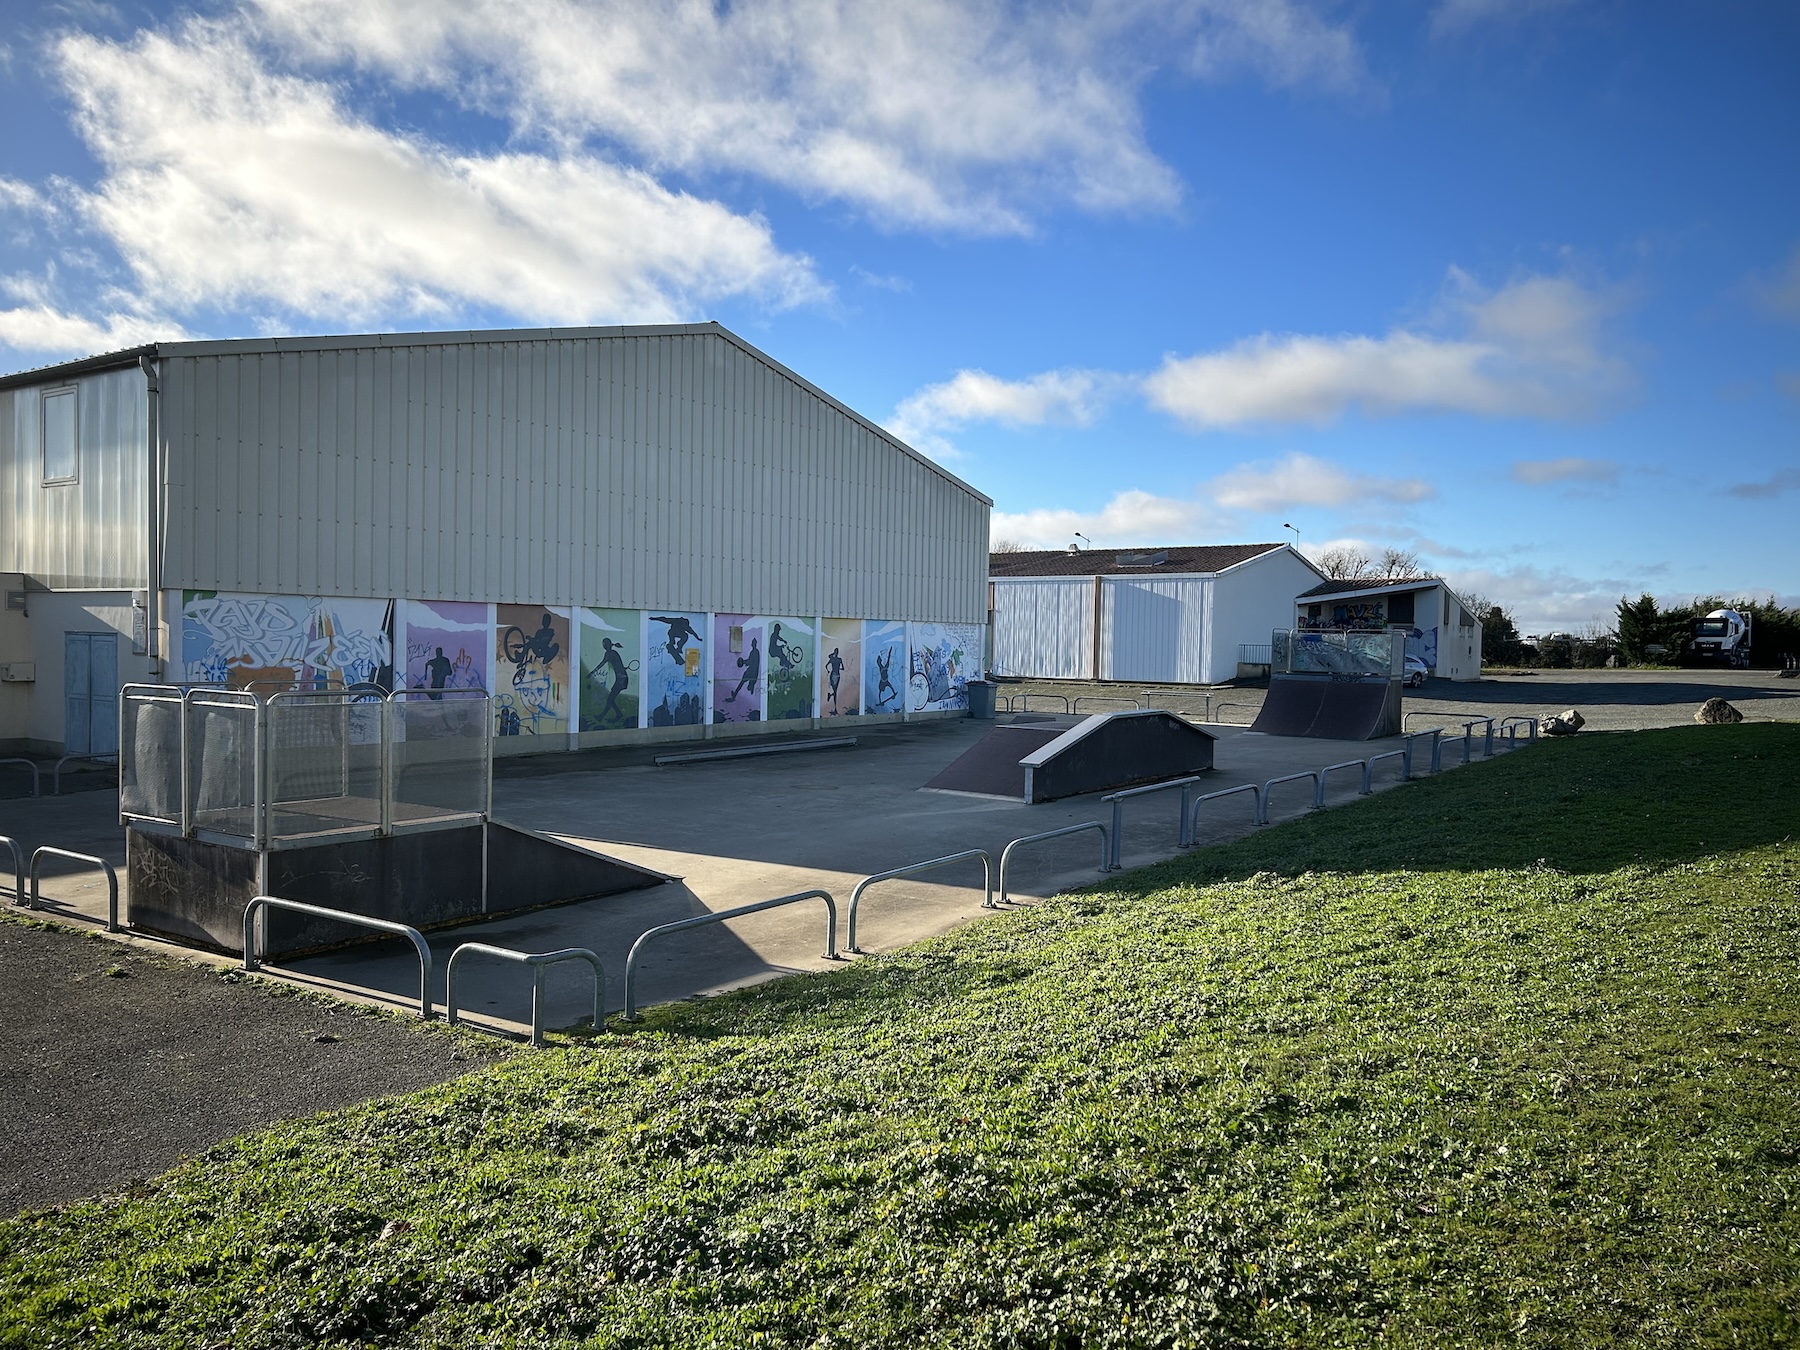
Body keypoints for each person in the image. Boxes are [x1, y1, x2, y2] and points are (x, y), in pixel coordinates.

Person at [594, 636, 629, 725]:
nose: (603, 645)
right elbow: (619, 665)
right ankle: (617, 714)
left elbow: (602, 663)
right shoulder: (614, 653)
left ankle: (602, 716)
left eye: (604, 644)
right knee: (610, 699)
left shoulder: (609, 654)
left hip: (621, 679)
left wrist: (592, 673)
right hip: (622, 678)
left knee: (610, 699)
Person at [726, 636, 761, 703]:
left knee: (742, 683)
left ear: (754, 644)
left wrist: (744, 662)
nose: (752, 644)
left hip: (751, 671)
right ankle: (750, 688)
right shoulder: (755, 652)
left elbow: (751, 662)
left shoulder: (754, 652)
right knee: (745, 684)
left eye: (753, 643)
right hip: (753, 671)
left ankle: (735, 695)